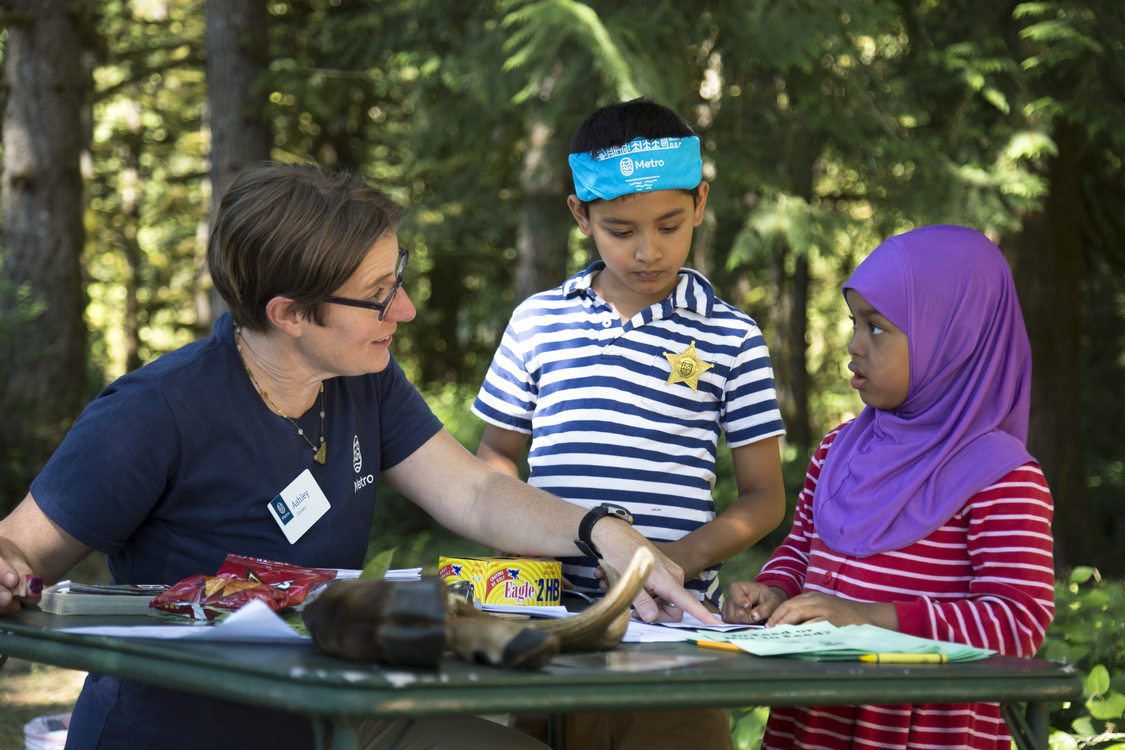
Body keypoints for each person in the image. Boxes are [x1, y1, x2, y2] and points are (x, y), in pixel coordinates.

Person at [0, 161, 718, 750]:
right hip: (185, 730)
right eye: (378, 295)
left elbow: (472, 492)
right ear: (288, 314)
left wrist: (603, 531)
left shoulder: (363, 381)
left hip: (338, 709)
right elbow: (20, 553)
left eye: (397, 277)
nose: (403, 309)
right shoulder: (152, 411)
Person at [473, 98, 787, 749]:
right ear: (579, 216)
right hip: (551, 638)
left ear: (700, 202)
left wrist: (672, 560)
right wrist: (525, 551)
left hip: (673, 646)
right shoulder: (538, 321)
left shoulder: (731, 336)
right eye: (620, 230)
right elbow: (496, 455)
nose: (648, 250)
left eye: (670, 225)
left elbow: (763, 496)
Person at [722, 225, 1056, 750]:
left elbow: (1017, 623)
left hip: (923, 733)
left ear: (952, 335)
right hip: (813, 725)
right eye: (855, 322)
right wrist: (773, 592)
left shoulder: (1002, 477)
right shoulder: (838, 452)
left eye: (877, 327)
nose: (854, 345)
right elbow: (799, 550)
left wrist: (870, 619)